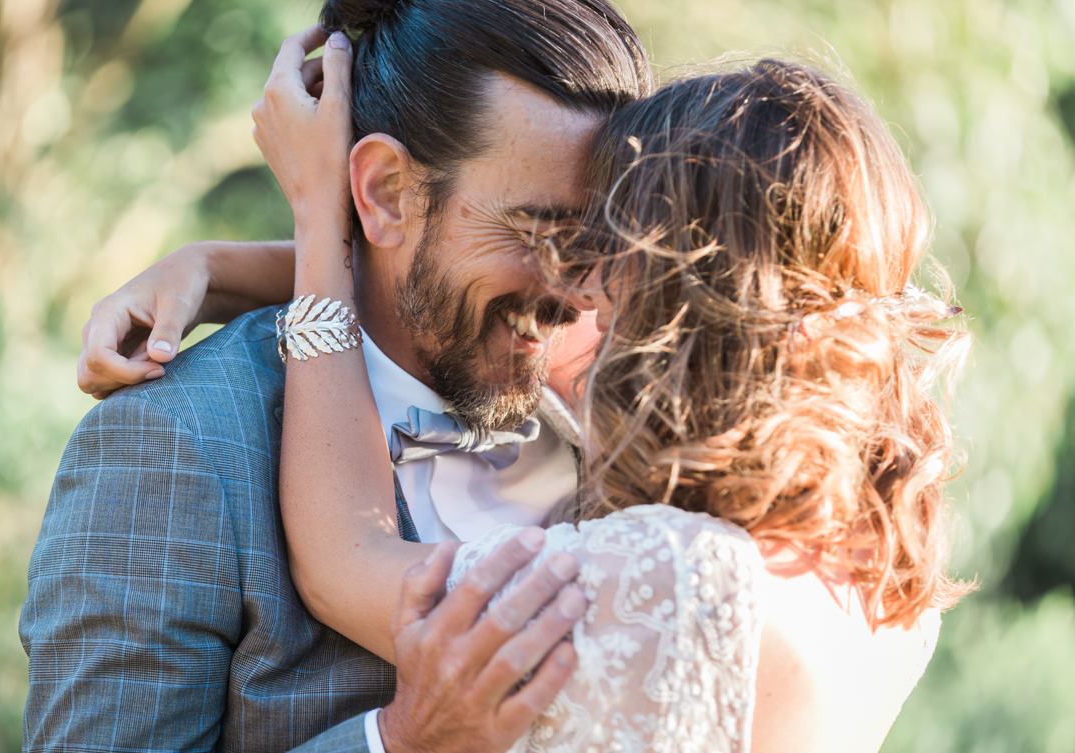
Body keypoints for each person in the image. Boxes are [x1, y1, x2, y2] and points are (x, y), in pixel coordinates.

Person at [90, 37, 973, 753]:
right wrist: (223, 266)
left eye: (606, 258)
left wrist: (321, 218)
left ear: (687, 307)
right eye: (549, 237)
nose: (579, 293)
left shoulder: (673, 575)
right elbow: (450, 281)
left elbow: (345, 559)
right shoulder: (882, 585)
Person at [19, 1, 654, 751]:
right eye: (540, 232)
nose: (580, 288)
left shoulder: (641, 416)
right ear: (385, 192)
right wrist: (399, 740)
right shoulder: (171, 446)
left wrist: (223, 263)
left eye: (605, 240)